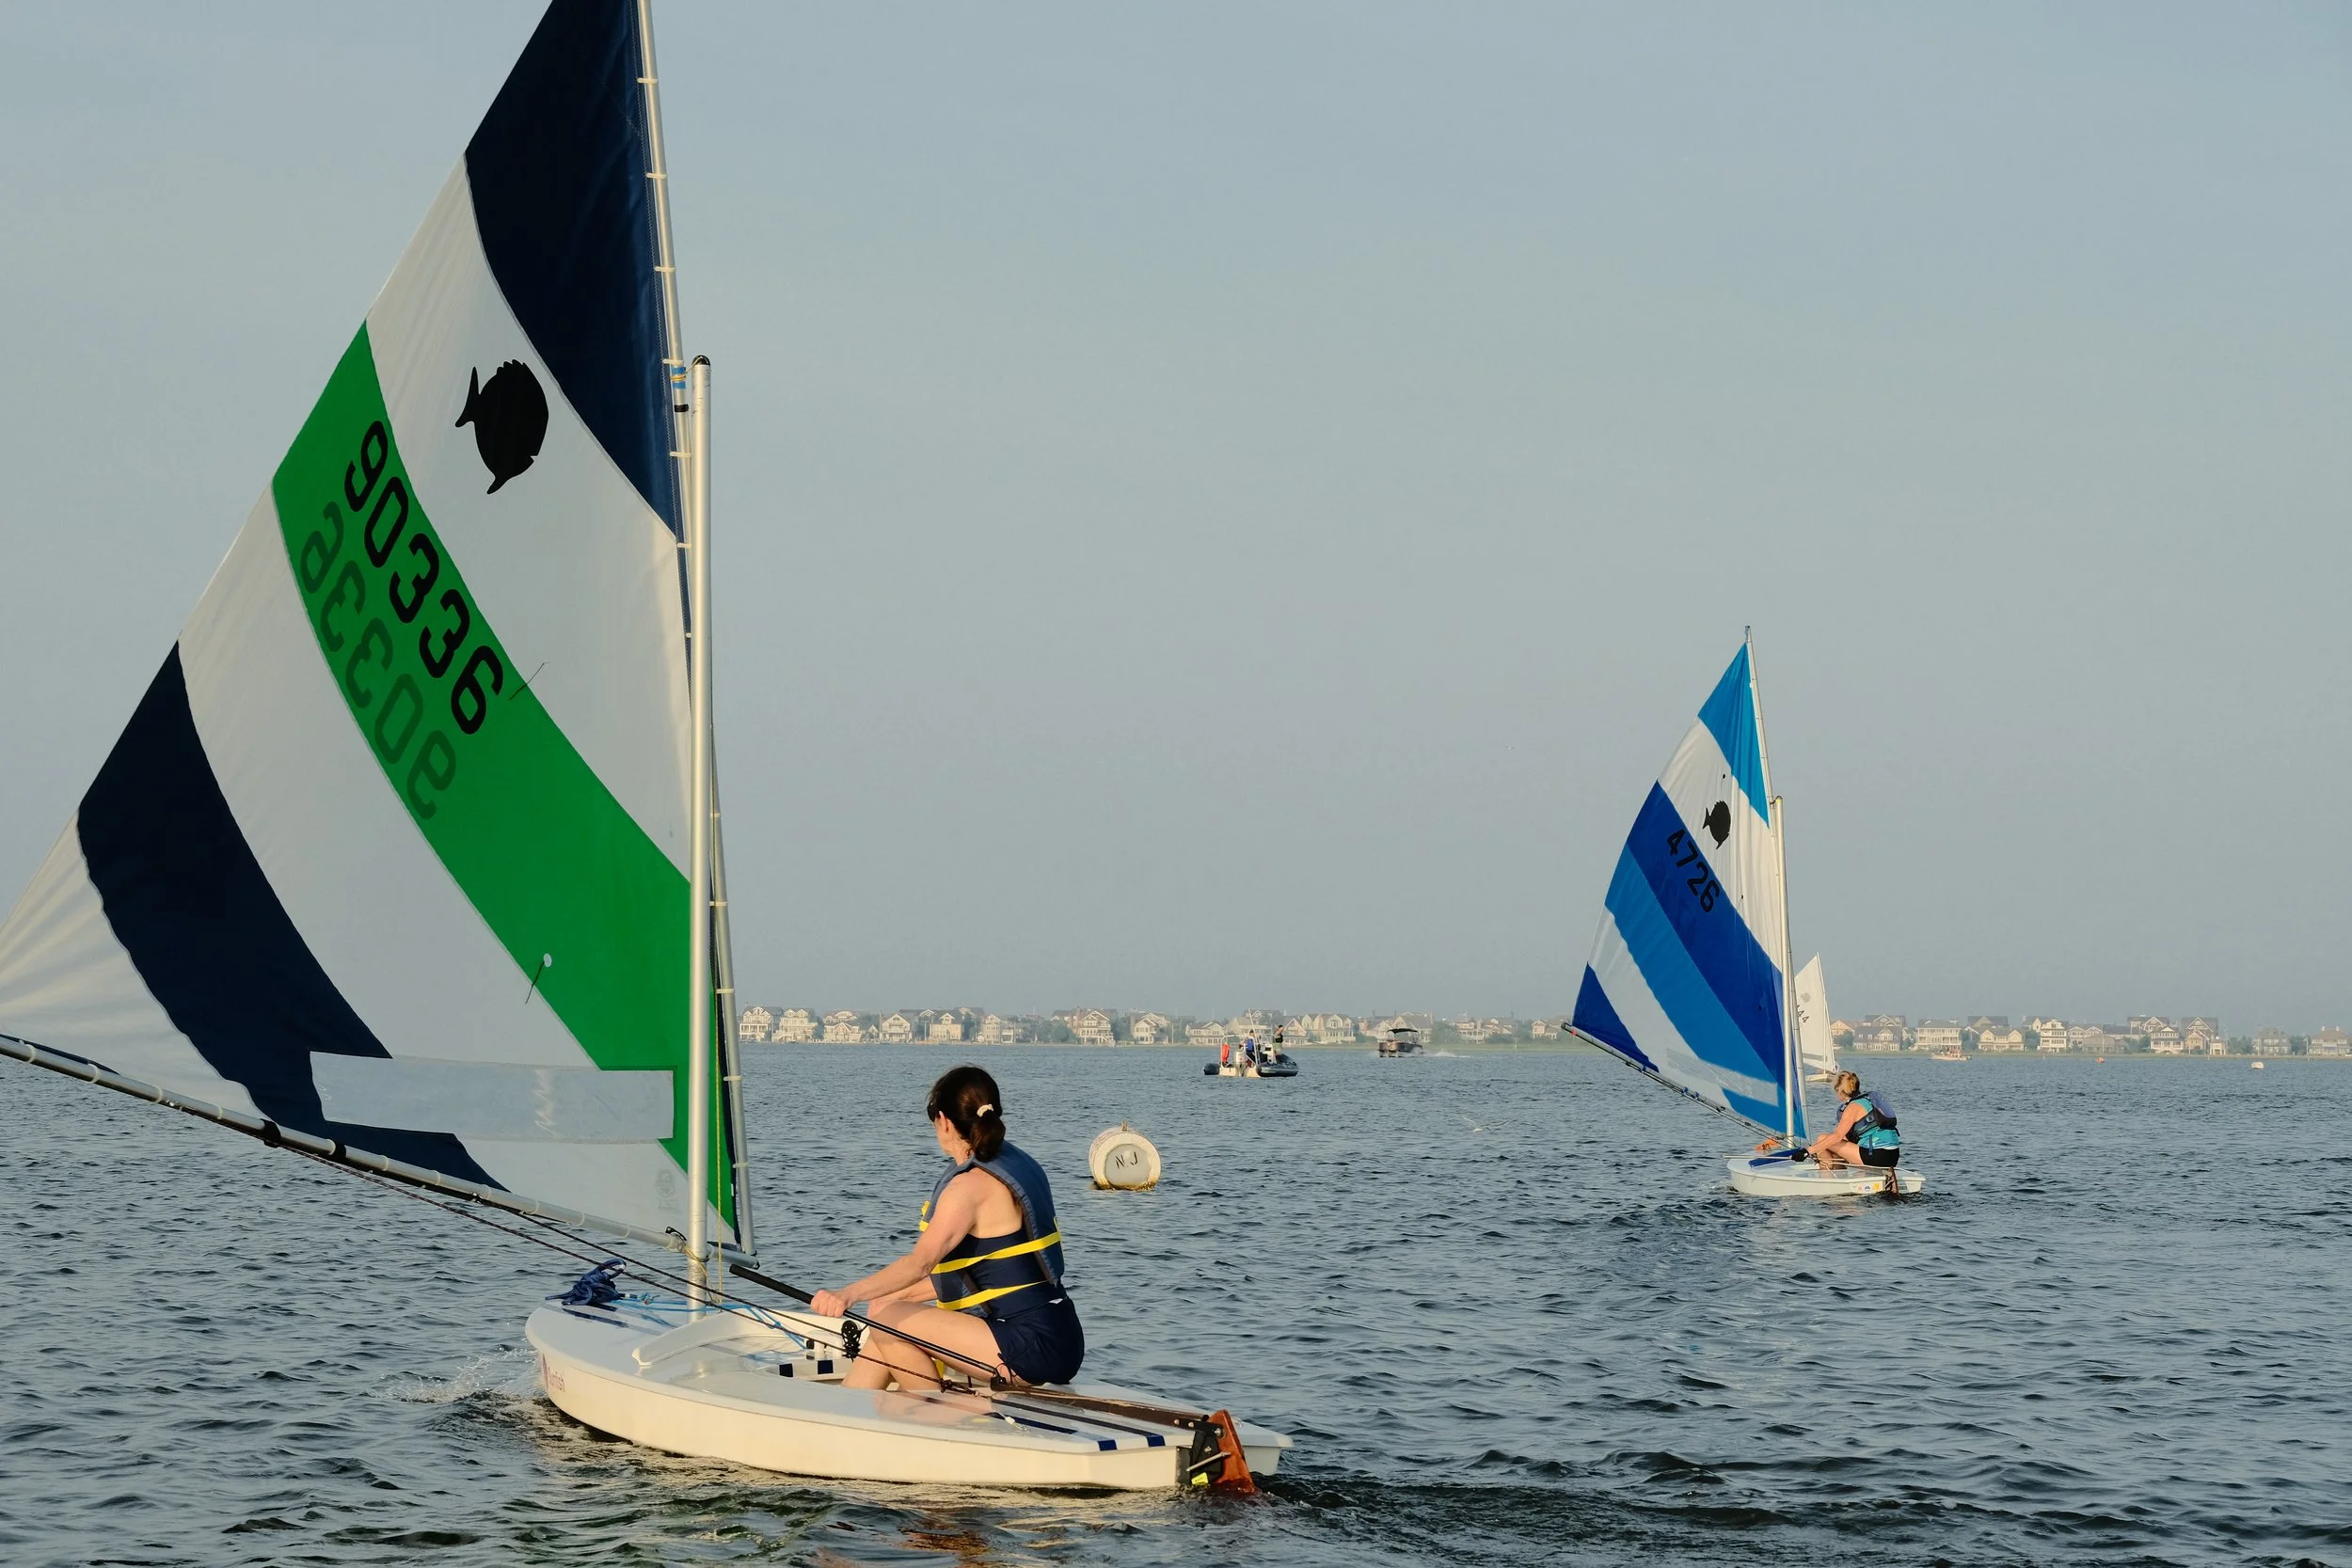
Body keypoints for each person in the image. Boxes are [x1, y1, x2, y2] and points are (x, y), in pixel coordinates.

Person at [812, 1066, 1084, 1391]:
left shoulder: (967, 1188)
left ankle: (934, 1411)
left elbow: (919, 1264)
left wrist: (848, 1294)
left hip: (1032, 1344)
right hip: (1060, 1332)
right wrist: (892, 1296)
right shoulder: (1017, 1166)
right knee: (888, 1316)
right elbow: (991, 1273)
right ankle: (845, 1408)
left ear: (943, 1121)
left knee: (887, 1322)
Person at [1806, 1071, 1900, 1171]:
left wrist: (1807, 1151)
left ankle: (1826, 1175)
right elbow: (1845, 1139)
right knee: (1828, 1145)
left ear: (1839, 1090)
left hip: (1876, 1156)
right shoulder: (1867, 1102)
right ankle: (1839, 1174)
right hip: (1892, 1156)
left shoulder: (1853, 1107)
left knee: (1822, 1139)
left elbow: (1837, 1136)